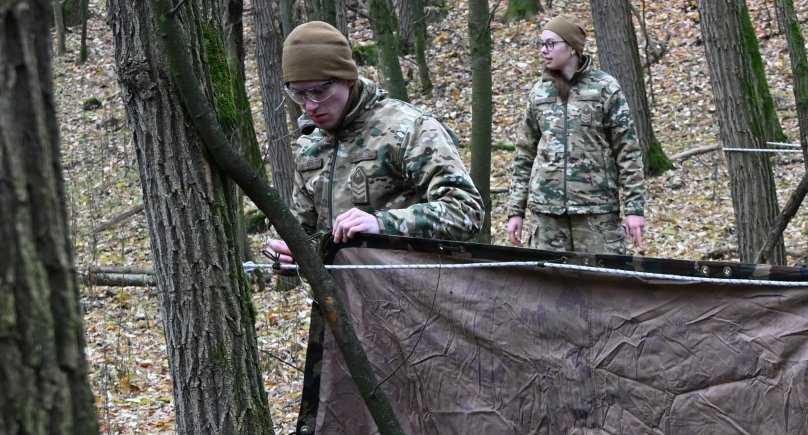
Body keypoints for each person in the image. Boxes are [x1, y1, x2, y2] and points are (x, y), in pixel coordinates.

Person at [266, 21, 484, 265]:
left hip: (410, 294)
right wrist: (296, 258)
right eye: (298, 94)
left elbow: (466, 211)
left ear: (347, 78)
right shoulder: (310, 145)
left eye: (318, 92)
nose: (310, 105)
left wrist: (382, 224)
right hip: (337, 298)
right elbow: (309, 234)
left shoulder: (408, 128)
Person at [505, 17, 647, 256]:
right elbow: (524, 155)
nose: (543, 50)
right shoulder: (539, 92)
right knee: (548, 287)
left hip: (596, 213)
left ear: (572, 47)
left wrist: (634, 209)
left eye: (550, 44)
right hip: (547, 215)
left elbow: (628, 152)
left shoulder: (604, 88)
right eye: (541, 44)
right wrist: (515, 211)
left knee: (603, 286)